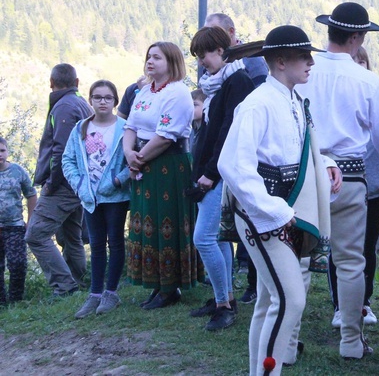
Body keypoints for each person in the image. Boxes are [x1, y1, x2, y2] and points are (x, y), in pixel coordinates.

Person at [218, 25, 341, 376]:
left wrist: (327, 164)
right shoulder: (257, 104)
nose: (311, 62)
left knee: (269, 301)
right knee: (290, 299)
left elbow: (298, 147)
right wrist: (274, 211)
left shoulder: (292, 99)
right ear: (281, 61)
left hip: (280, 209)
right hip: (262, 213)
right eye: (304, 56)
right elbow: (234, 165)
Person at [296, 2, 379, 359]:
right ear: (358, 37)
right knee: (350, 260)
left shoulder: (303, 74)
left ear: (330, 30)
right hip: (348, 175)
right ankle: (350, 339)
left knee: (297, 258)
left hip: (304, 173)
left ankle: (287, 337)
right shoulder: (366, 80)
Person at [188, 26, 256, 331]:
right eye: (198, 56)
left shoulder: (237, 81)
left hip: (221, 173)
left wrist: (210, 174)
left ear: (220, 50)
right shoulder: (219, 83)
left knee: (203, 238)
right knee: (218, 239)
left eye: (205, 54)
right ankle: (224, 298)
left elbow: (229, 131)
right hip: (212, 171)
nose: (202, 61)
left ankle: (224, 305)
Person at [124, 41, 201, 309]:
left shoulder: (178, 93)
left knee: (166, 220)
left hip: (169, 165)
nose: (150, 61)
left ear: (171, 61)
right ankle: (156, 282)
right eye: (148, 56)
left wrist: (139, 158)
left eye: (156, 57)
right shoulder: (145, 92)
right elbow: (130, 125)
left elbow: (166, 136)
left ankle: (171, 286)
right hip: (144, 163)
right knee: (148, 220)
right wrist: (129, 155)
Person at [329, 47, 379, 328]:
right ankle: (340, 306)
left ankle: (364, 303)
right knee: (341, 247)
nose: (358, 65)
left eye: (362, 61)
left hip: (375, 186)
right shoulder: (336, 96)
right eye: (354, 60)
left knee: (367, 246)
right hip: (342, 183)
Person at [204, 12, 264, 305]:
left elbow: (236, 119)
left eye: (212, 33)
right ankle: (226, 291)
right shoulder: (216, 71)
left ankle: (251, 286)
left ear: (229, 33)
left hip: (243, 158)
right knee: (223, 231)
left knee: (250, 224)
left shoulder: (248, 63)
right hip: (217, 160)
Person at [62, 80, 130, 318]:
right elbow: (67, 160)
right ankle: (95, 295)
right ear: (90, 100)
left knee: (116, 242)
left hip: (116, 196)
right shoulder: (81, 128)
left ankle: (111, 292)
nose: (102, 101)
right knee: (97, 244)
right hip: (90, 197)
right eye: (98, 97)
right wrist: (79, 185)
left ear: (115, 101)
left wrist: (118, 181)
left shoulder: (124, 128)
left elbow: (134, 160)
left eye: (108, 97)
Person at [25, 63, 92, 297]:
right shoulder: (82, 103)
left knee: (35, 234)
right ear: (77, 82)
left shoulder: (63, 107)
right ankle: (79, 282)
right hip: (79, 183)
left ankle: (64, 287)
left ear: (51, 83)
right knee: (70, 235)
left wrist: (52, 183)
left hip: (62, 185)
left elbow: (61, 150)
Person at [0, 137, 38, 305]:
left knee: (18, 264)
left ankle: (16, 301)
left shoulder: (17, 171)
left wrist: (30, 221)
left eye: (2, 150)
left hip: (14, 226)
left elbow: (31, 194)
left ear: (7, 151)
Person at [204, 12, 268, 88]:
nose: (209, 38)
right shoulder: (210, 60)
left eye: (215, 33)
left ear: (231, 31)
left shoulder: (253, 61)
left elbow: (260, 94)